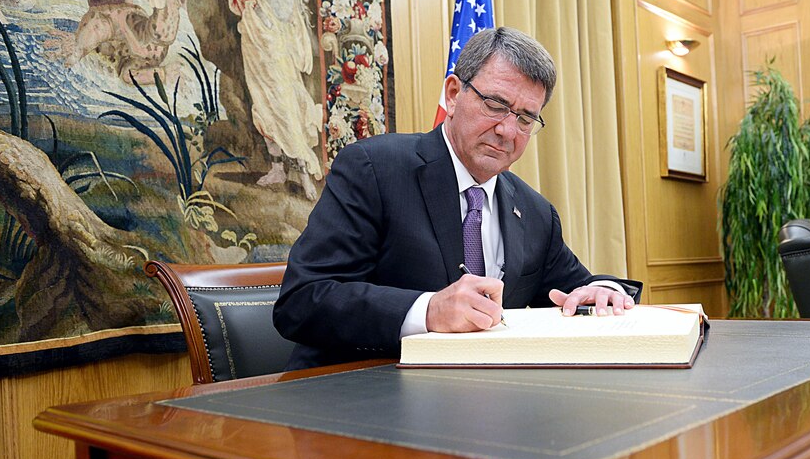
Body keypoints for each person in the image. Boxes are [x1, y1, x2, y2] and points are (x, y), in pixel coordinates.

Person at [274, 27, 640, 369]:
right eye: (495, 105)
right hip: (358, 400)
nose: (507, 130)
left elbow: (576, 289)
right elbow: (303, 300)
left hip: (481, 407)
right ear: (453, 94)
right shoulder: (374, 169)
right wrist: (428, 310)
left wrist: (603, 291)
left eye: (526, 119)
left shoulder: (535, 212)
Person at [188, 0, 324, 200]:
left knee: (286, 110)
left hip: (278, 54)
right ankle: (276, 167)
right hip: (255, 51)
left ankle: (303, 174)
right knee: (262, 108)